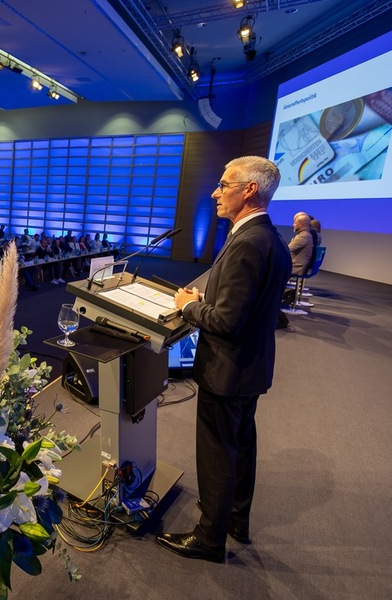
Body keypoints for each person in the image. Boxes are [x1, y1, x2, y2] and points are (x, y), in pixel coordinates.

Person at [156, 156, 292, 563]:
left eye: (224, 184)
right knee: (240, 446)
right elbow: (244, 306)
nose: (216, 192)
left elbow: (228, 322)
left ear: (249, 190)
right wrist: (208, 300)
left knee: (217, 454)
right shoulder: (268, 237)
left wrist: (187, 306)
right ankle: (234, 520)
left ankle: (209, 538)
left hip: (227, 370)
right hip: (249, 367)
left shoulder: (247, 242)